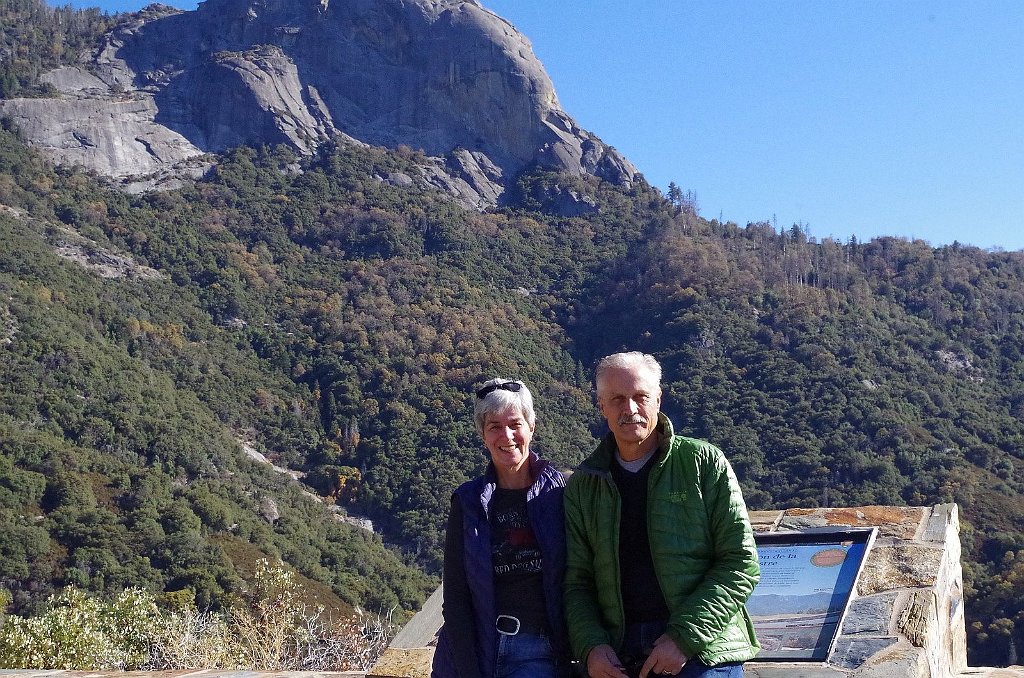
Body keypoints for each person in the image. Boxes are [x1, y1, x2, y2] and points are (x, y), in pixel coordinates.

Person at [564, 352, 760, 678]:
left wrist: (682, 639)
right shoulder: (584, 486)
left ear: (658, 398)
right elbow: (577, 584)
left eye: (640, 397)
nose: (630, 409)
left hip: (702, 650)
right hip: (619, 655)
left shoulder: (703, 463)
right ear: (601, 406)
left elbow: (740, 563)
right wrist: (592, 647)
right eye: (617, 399)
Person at [431, 378, 570, 678]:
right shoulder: (467, 502)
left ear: (531, 427)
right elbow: (455, 596)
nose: (506, 435)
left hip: (537, 652)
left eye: (515, 424)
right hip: (478, 652)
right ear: (482, 435)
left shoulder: (560, 494)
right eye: (494, 426)